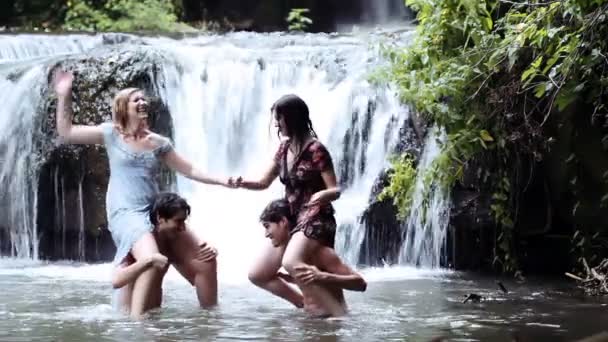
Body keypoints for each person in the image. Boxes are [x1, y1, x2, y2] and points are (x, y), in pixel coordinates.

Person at [52, 69, 227, 319]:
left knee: (205, 260)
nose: (142, 102)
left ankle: (211, 321)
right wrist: (64, 95)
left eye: (144, 99)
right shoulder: (111, 134)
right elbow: (66, 132)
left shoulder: (158, 142)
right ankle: (139, 324)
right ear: (123, 107)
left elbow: (189, 169)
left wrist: (222, 180)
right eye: (136, 99)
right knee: (152, 258)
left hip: (155, 210)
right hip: (125, 212)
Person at [229, 94, 345, 316]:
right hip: (292, 219)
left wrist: (323, 195)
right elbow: (264, 182)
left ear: (292, 118)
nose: (276, 124)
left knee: (291, 261)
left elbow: (335, 189)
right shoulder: (283, 149)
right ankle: (304, 304)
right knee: (258, 273)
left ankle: (337, 315)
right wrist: (242, 183)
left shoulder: (316, 150)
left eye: (279, 119)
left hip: (316, 219)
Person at [112, 192, 218, 314]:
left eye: (184, 221)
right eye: (178, 221)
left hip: (153, 318)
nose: (183, 228)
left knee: (206, 262)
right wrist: (148, 260)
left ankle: (211, 315)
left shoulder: (171, 241)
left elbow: (194, 271)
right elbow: (116, 281)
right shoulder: (139, 241)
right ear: (160, 218)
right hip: (127, 321)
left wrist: (211, 251)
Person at [258, 199, 366, 317]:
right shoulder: (293, 256)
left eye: (267, 226)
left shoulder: (319, 252)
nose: (266, 234)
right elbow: (317, 284)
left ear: (283, 222)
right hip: (311, 320)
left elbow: (361, 284)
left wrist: (324, 277)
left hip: (333, 322)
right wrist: (292, 279)